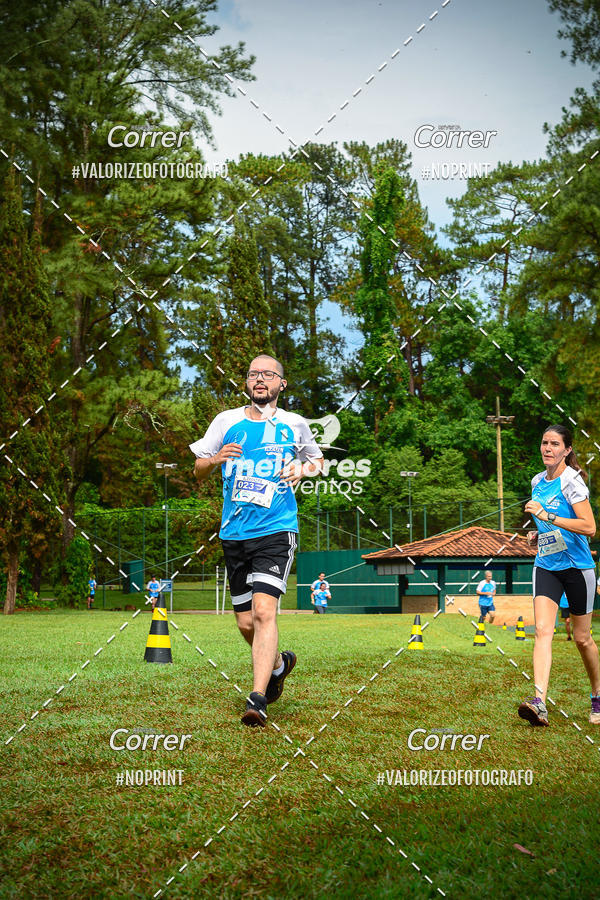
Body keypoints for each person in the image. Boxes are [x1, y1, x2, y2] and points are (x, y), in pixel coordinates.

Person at [191, 354, 324, 727]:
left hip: (277, 529)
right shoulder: (226, 421)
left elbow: (319, 461)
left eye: (268, 374)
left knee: (265, 612)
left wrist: (302, 467)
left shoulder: (295, 424)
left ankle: (258, 698)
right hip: (234, 534)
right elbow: (198, 468)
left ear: (282, 384)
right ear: (247, 384)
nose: (259, 379)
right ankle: (280, 665)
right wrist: (215, 459)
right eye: (253, 374)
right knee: (246, 624)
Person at [519, 424, 599, 727]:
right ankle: (539, 702)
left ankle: (597, 696)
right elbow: (550, 528)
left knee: (582, 639)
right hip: (547, 565)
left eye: (554, 444)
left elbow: (589, 527)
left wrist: (547, 516)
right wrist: (539, 536)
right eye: (544, 443)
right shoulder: (537, 481)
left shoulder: (572, 482)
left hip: (578, 568)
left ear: (567, 450)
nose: (547, 448)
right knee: (542, 631)